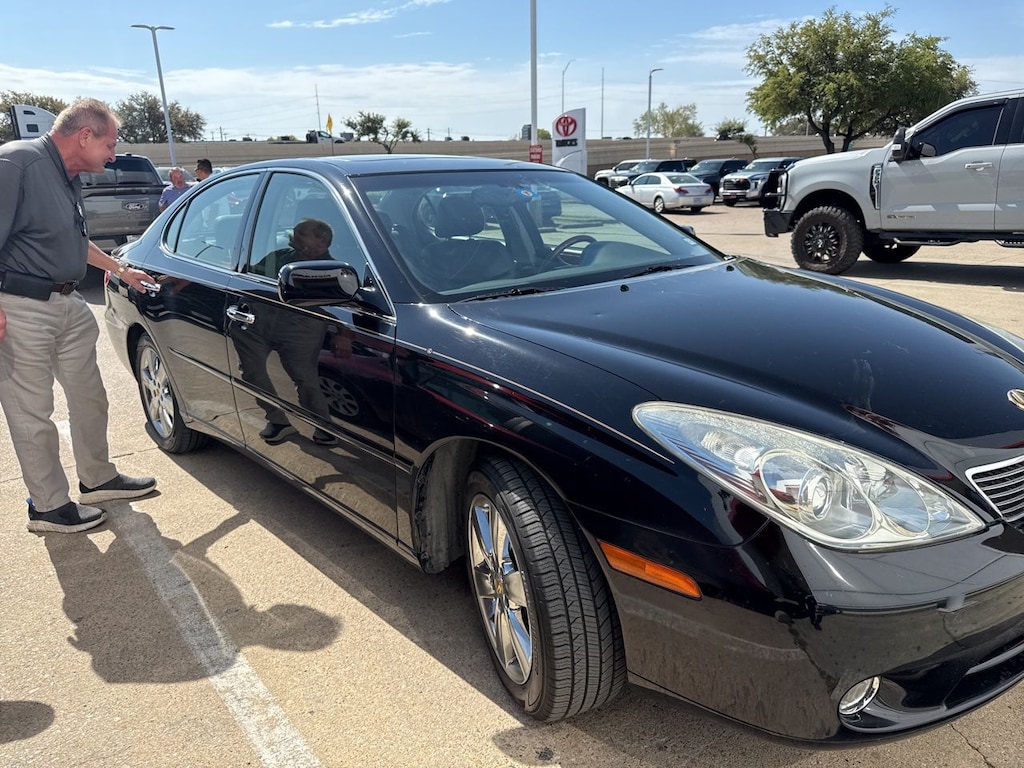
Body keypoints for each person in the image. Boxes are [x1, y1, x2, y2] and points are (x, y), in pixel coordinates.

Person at [0, 97, 159, 534]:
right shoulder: (17, 163)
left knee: (90, 396)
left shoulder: (66, 174)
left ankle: (98, 478)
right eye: (110, 144)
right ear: (84, 136)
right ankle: (48, 507)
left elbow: (68, 241)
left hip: (68, 303)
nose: (113, 154)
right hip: (21, 305)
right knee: (31, 410)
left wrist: (121, 268)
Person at [231, 218, 338, 445]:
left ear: (322, 241)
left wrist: (345, 335)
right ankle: (278, 420)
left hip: (301, 329)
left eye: (300, 233)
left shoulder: (333, 269)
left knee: (305, 379)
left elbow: (339, 308)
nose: (293, 235)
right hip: (260, 322)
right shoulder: (281, 256)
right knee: (251, 372)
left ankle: (324, 426)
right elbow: (246, 278)